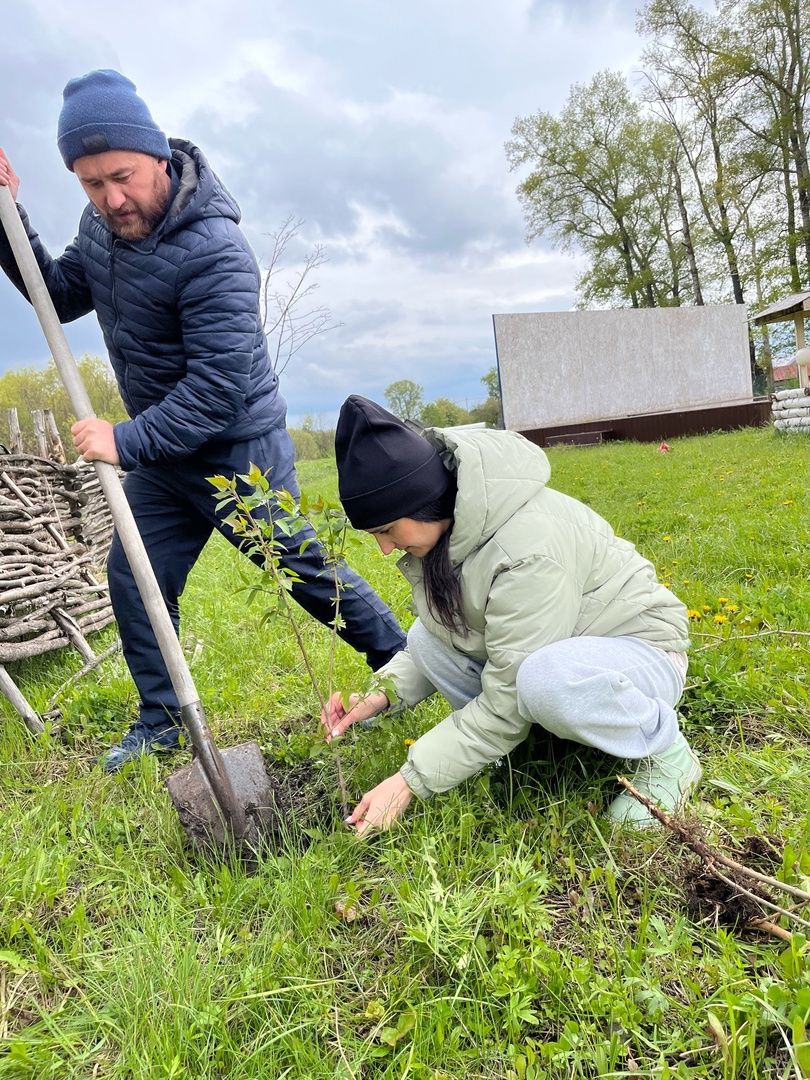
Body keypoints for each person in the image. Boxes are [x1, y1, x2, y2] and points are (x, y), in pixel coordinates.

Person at [0, 71, 405, 771]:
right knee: (134, 578)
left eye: (122, 177)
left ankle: (407, 665)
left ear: (157, 154)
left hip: (233, 448)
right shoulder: (100, 229)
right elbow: (60, 293)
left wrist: (121, 439)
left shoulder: (215, 250)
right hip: (164, 460)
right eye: (92, 184)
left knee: (302, 570)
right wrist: (8, 216)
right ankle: (159, 721)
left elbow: (216, 391)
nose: (111, 199)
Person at [320, 396, 703, 834]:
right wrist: (378, 695)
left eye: (387, 531)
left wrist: (410, 782)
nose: (385, 549)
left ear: (425, 501)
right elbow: (445, 639)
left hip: (640, 649)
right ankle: (545, 744)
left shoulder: (524, 549)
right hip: (563, 654)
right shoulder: (453, 531)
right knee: (425, 639)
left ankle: (667, 753)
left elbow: (507, 697)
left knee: (541, 679)